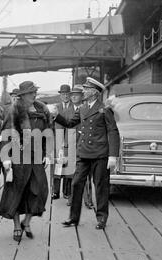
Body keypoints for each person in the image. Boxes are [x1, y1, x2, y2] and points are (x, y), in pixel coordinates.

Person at [49, 77, 120, 230]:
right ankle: (73, 218)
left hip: (100, 154)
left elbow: (113, 131)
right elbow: (69, 123)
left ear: (94, 93)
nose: (83, 92)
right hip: (84, 154)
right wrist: (56, 115)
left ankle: (101, 218)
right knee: (76, 183)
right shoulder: (81, 108)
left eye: (87, 89)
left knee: (100, 186)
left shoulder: (104, 109)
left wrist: (113, 156)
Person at [0, 81, 51, 241]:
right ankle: (16, 226)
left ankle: (26, 222)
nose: (34, 95)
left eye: (34, 92)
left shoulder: (41, 109)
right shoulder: (14, 110)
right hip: (17, 157)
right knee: (16, 192)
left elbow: (48, 132)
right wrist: (5, 158)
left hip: (35, 157)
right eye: (30, 93)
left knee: (39, 191)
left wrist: (47, 153)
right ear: (22, 95)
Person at [52, 84, 72, 200]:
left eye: (67, 94)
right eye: (63, 94)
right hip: (58, 140)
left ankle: (67, 192)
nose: (65, 96)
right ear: (60, 95)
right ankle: (55, 192)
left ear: (70, 95)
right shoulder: (56, 107)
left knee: (68, 166)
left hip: (70, 139)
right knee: (58, 166)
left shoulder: (74, 107)